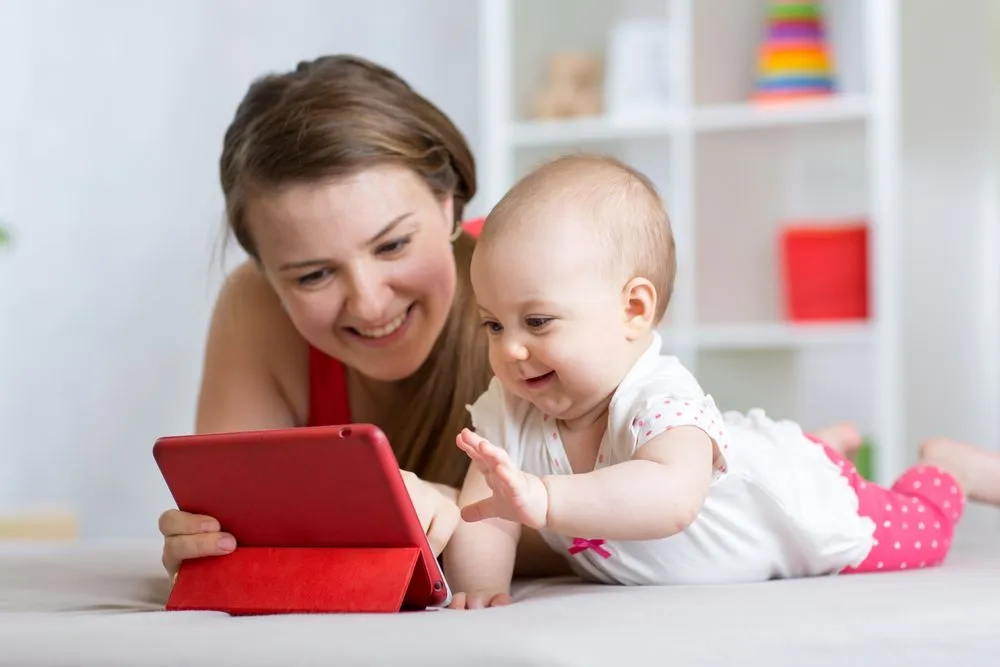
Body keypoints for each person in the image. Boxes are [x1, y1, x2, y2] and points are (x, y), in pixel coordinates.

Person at [442, 154, 1000, 609]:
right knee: (758, 451)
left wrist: (544, 495)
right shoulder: (510, 407)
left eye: (537, 322)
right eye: (493, 323)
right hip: (749, 464)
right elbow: (483, 513)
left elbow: (672, 499)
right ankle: (818, 444)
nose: (510, 348)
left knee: (921, 538)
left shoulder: (660, 398)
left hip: (797, 507)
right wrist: (480, 588)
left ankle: (945, 468)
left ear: (634, 309)